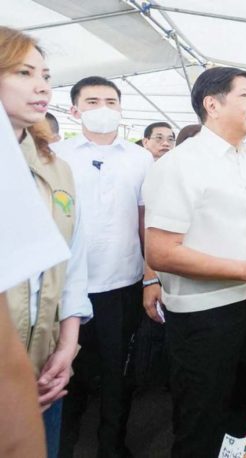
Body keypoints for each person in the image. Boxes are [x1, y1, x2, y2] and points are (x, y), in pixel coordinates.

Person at [142, 67, 246, 457]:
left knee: (241, 412)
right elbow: (161, 252)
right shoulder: (179, 165)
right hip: (201, 319)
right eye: (244, 96)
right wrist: (245, 270)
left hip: (242, 308)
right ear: (212, 104)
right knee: (200, 422)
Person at [0, 26, 93, 458]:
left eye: (46, 75)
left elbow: (71, 260)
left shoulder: (57, 169)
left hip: (43, 367)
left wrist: (68, 346)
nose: (41, 86)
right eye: (23, 72)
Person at [52, 75, 153, 457]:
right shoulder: (57, 156)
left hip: (121, 283)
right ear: (75, 110)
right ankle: (61, 445)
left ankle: (112, 446)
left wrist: (150, 276)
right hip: (66, 285)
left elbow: (148, 221)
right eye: (92, 101)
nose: (103, 109)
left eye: (111, 101)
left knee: (116, 375)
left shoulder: (141, 158)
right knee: (66, 372)